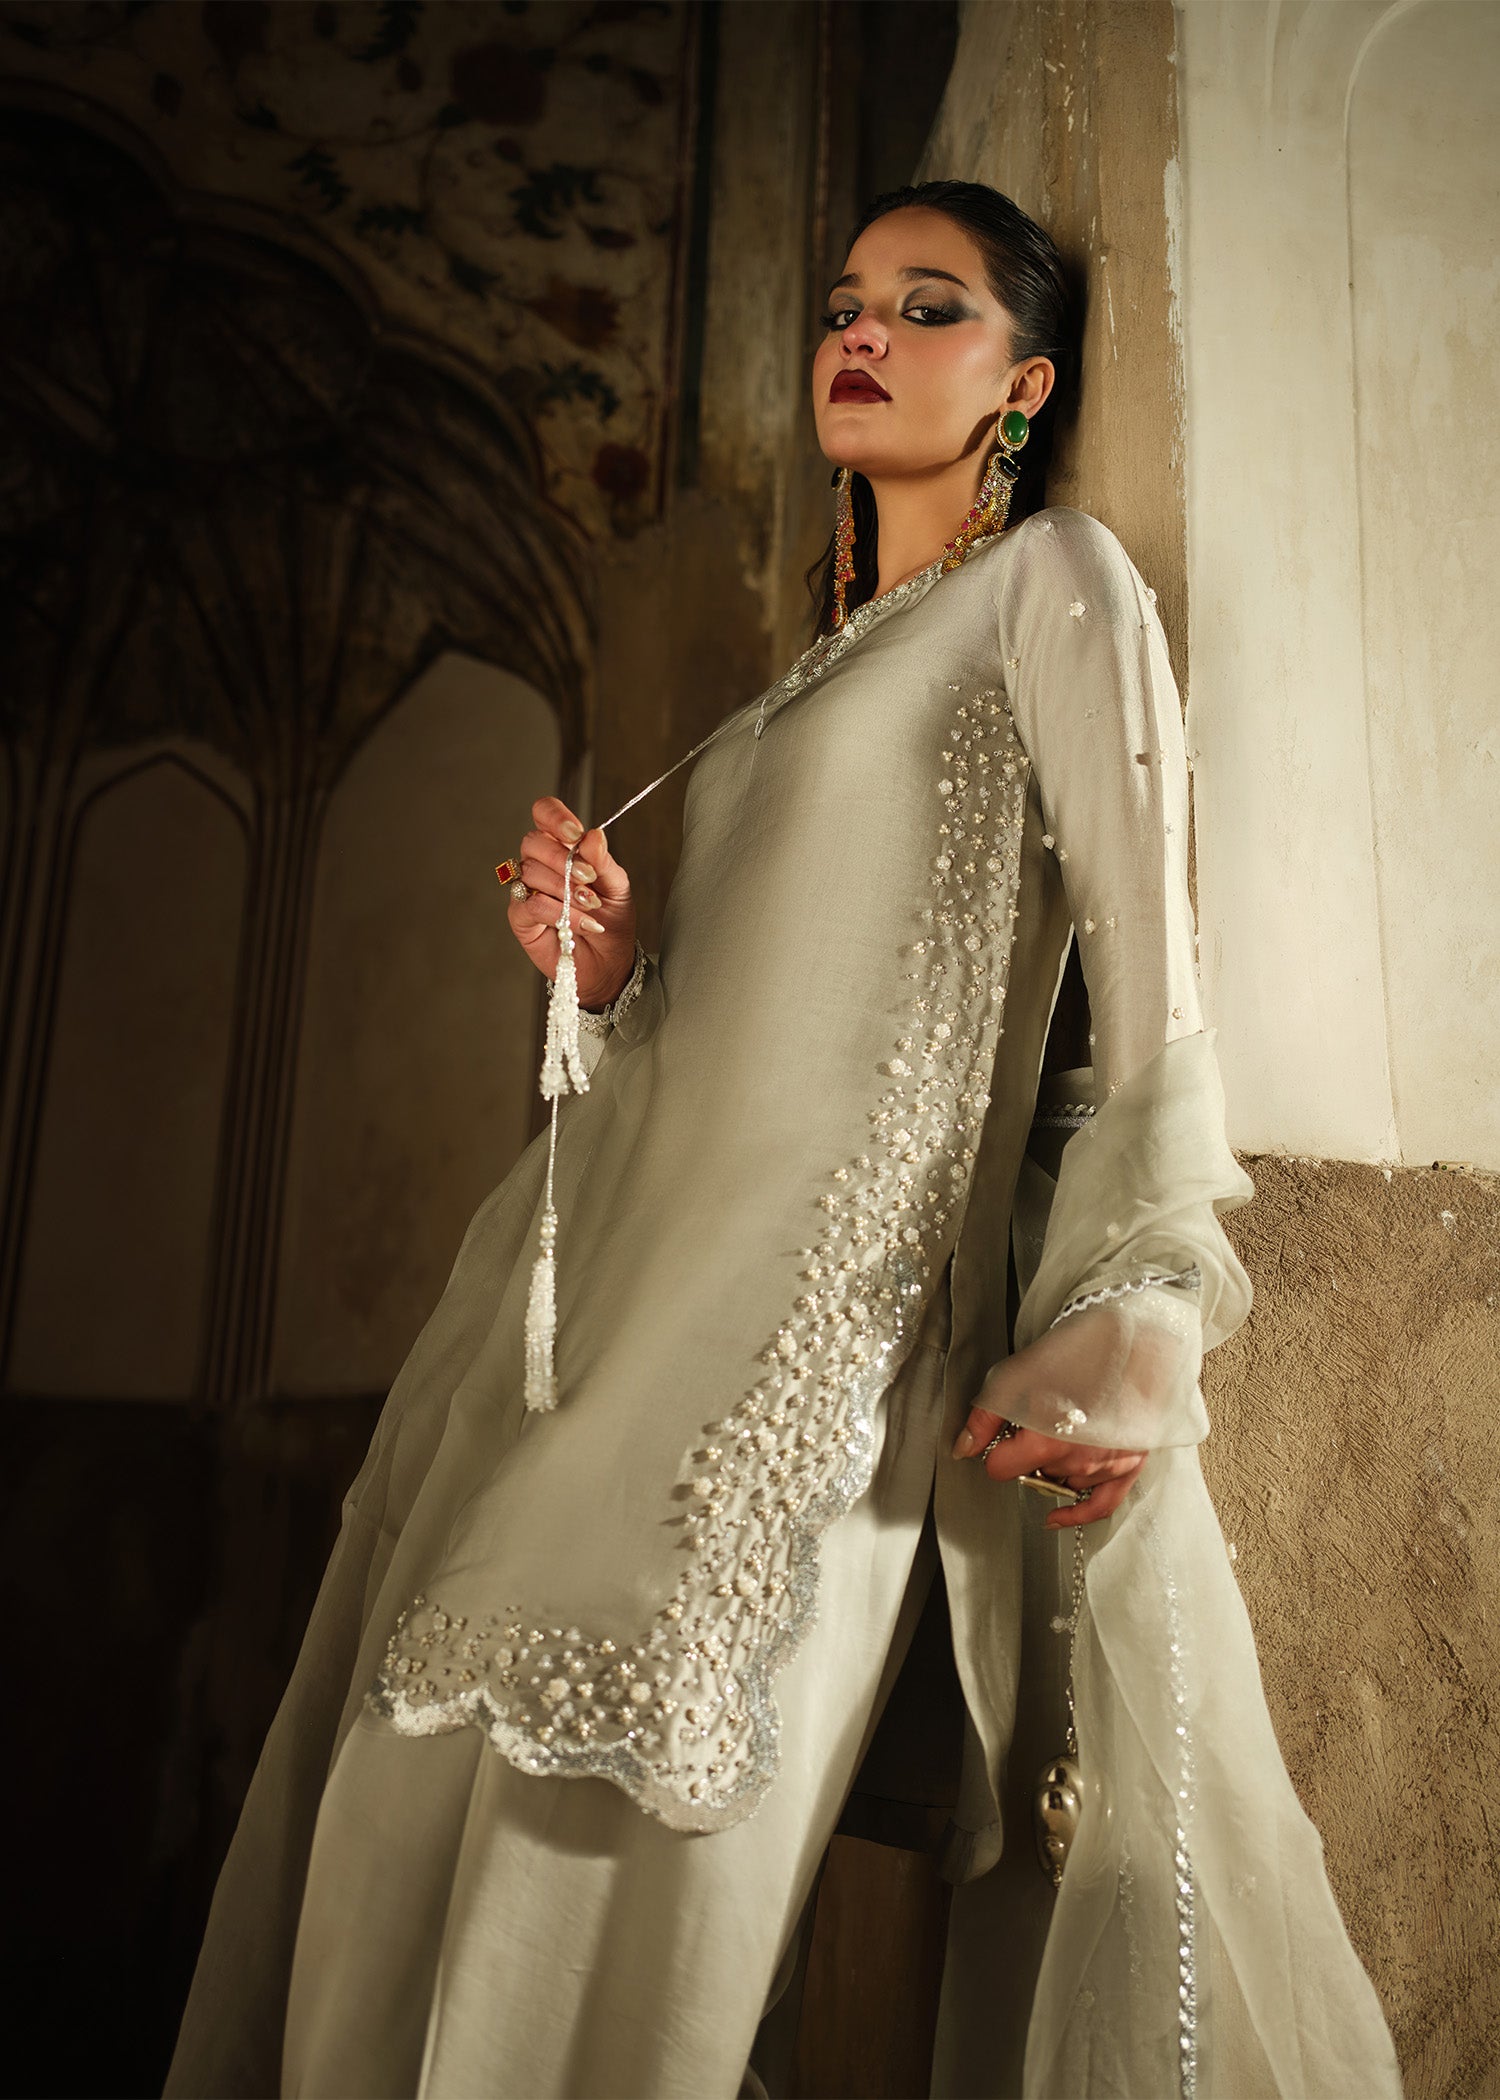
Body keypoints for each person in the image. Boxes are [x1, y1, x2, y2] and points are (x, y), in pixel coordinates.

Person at [165, 181, 1402, 2099]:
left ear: (1027, 383)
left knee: (612, 1919)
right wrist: (614, 971)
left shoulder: (1052, 586)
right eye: (843, 305)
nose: (863, 333)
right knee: (390, 1844)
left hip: (800, 1386)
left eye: (930, 307)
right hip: (608, 1352)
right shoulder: (783, 697)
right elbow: (724, 1051)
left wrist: (1147, 1292)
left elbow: (1152, 977)